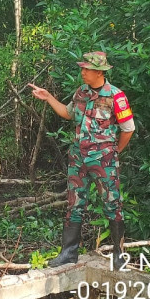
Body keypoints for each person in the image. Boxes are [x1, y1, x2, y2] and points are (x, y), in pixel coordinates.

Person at [29, 51, 135, 269]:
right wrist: (48, 97)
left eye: (87, 69)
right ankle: (69, 253)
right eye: (82, 68)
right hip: (78, 160)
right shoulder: (81, 92)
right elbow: (68, 113)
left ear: (99, 72)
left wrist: (114, 151)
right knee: (74, 204)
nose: (83, 72)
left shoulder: (116, 96)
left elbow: (128, 129)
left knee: (112, 204)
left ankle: (118, 255)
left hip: (104, 161)